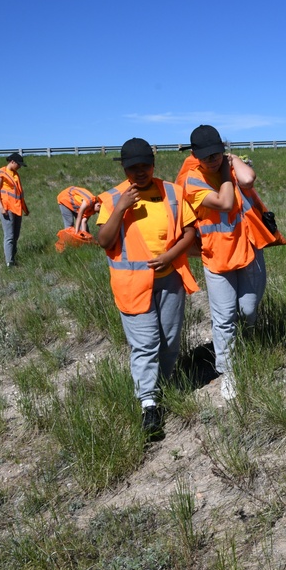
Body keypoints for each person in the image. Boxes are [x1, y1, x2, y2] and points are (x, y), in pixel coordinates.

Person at [96, 138, 199, 439]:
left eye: (145, 166)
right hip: (132, 284)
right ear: (125, 168)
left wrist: (170, 255)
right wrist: (121, 209)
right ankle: (149, 405)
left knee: (169, 341)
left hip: (170, 278)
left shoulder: (172, 192)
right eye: (133, 167)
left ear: (153, 165)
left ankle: (163, 387)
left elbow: (190, 230)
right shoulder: (113, 197)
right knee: (145, 345)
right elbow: (104, 241)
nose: (140, 172)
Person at [180, 125, 267, 401]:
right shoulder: (192, 181)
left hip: (248, 249)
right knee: (224, 318)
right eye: (206, 156)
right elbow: (226, 201)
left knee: (249, 309)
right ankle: (228, 372)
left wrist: (232, 160)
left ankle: (248, 345)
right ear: (195, 155)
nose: (212, 160)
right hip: (216, 258)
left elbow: (249, 179)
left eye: (216, 153)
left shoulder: (227, 165)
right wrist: (225, 172)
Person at [0, 152, 29, 267]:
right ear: (12, 162)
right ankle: (10, 263)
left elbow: (19, 193)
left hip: (17, 208)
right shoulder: (1, 173)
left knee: (16, 235)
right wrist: (1, 206)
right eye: (19, 164)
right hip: (7, 208)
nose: (19, 167)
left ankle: (13, 257)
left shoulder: (16, 174)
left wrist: (25, 208)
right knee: (9, 235)